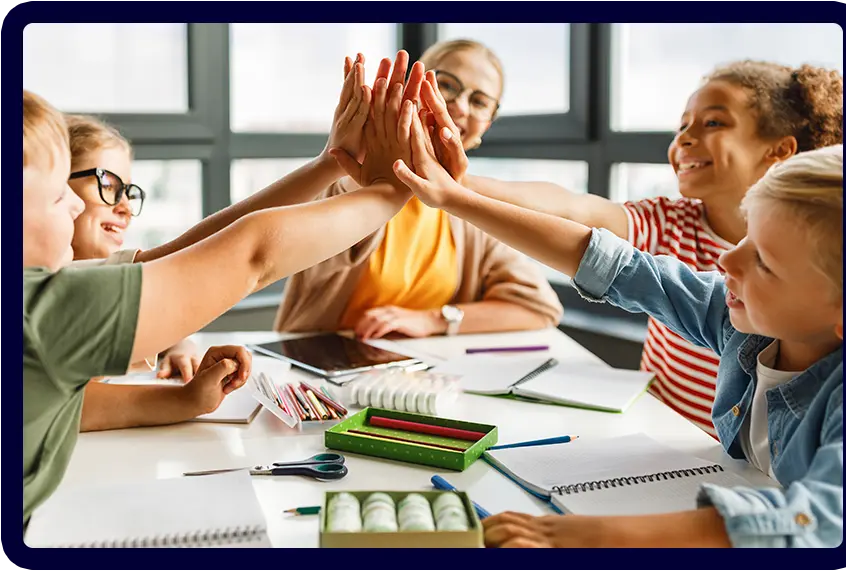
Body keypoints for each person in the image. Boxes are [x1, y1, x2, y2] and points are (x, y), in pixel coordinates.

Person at [392, 94, 842, 547]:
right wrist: (454, 198)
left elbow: (817, 521)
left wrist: (577, 535)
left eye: (763, 261)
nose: (726, 260)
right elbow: (612, 264)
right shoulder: (739, 321)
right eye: (745, 239)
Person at [22, 52, 417, 525]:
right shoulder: (42, 307)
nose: (70, 205)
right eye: (56, 194)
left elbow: (178, 255)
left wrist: (330, 164)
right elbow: (253, 254)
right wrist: (393, 187)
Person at [414, 60, 843, 438]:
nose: (685, 138)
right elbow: (574, 212)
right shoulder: (669, 222)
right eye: (682, 126)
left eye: (713, 123)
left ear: (779, 150)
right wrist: (459, 186)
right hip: (656, 441)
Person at [276, 41, 563, 341]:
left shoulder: (469, 211)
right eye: (446, 85)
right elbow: (291, 245)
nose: (460, 107)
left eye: (479, 102)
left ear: (486, 126)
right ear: (412, 87)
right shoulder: (353, 179)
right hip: (320, 362)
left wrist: (434, 320)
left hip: (418, 367)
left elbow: (540, 307)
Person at [65, 114, 200, 382]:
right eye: (107, 185)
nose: (126, 208)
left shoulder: (107, 287)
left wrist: (179, 346)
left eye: (128, 192)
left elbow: (156, 323)